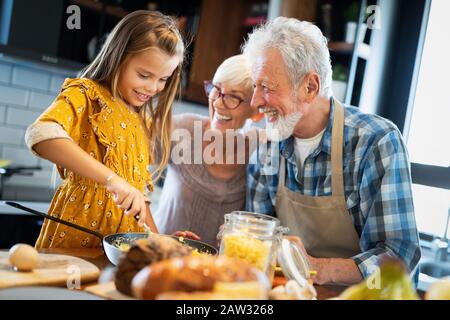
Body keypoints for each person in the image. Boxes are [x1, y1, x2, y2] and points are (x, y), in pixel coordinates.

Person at [244, 17, 421, 285]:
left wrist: (316, 268)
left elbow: (399, 259)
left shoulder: (375, 142)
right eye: (255, 86)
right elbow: (258, 240)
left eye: (266, 87)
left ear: (310, 87)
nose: (255, 101)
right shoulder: (267, 148)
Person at [25, 11, 184, 248]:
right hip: (76, 243)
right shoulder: (87, 95)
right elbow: (40, 134)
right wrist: (112, 180)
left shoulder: (142, 121)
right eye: (144, 75)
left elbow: (137, 199)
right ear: (118, 57)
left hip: (123, 249)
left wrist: (160, 243)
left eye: (163, 79)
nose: (152, 87)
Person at [153, 54, 261, 246]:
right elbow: (125, 157)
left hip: (215, 271)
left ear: (256, 110)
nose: (218, 103)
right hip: (160, 257)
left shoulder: (260, 151)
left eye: (234, 97)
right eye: (216, 89)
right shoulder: (182, 129)